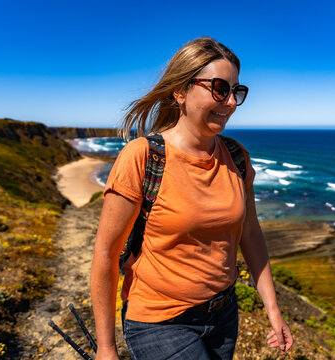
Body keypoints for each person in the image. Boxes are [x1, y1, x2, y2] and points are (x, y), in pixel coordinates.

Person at [90, 37, 293, 360]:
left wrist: (273, 309)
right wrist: (106, 347)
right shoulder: (143, 157)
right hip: (159, 319)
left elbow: (251, 233)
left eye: (236, 91)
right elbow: (105, 252)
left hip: (224, 315)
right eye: (219, 88)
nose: (230, 103)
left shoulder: (238, 158)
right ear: (180, 91)